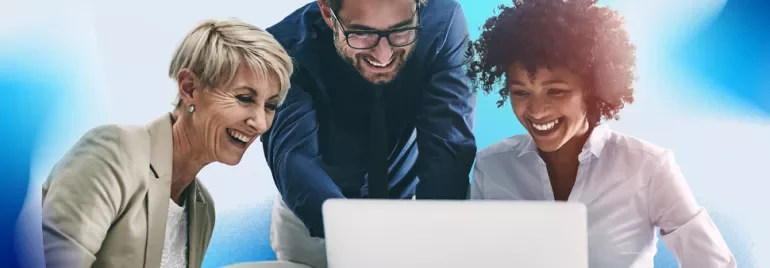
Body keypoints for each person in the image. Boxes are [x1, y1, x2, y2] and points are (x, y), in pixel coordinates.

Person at [466, 0, 737, 267]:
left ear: (592, 89)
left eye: (556, 91)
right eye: (521, 92)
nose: (536, 110)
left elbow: (713, 263)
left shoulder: (648, 168)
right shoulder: (492, 167)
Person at [41, 18, 293, 268]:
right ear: (189, 88)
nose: (260, 123)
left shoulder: (202, 209)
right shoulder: (113, 154)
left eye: (270, 106)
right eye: (245, 98)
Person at [261, 0, 477, 267]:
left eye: (401, 30)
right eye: (361, 33)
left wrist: (430, 234)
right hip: (314, 218)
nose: (383, 56)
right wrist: (356, 237)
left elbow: (448, 142)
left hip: (411, 208)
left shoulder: (442, 22)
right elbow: (294, 158)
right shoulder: (283, 46)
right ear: (327, 12)